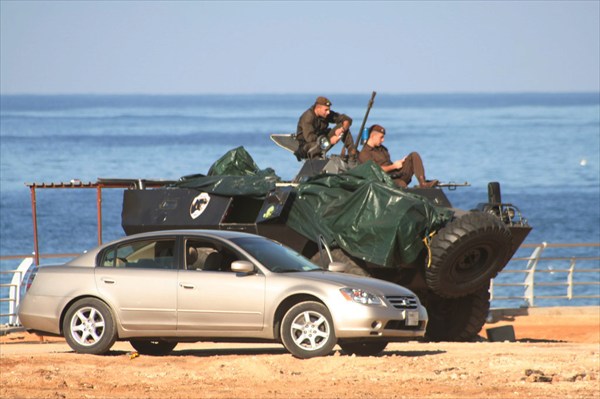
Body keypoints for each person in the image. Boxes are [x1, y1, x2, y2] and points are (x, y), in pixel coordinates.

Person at [358, 124, 439, 188]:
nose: (383, 140)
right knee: (401, 184)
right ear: (373, 136)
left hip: (396, 174)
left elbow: (389, 164)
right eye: (381, 137)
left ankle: (423, 183)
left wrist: (400, 164)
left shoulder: (382, 149)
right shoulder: (365, 153)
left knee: (414, 155)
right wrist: (394, 166)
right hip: (385, 180)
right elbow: (374, 171)